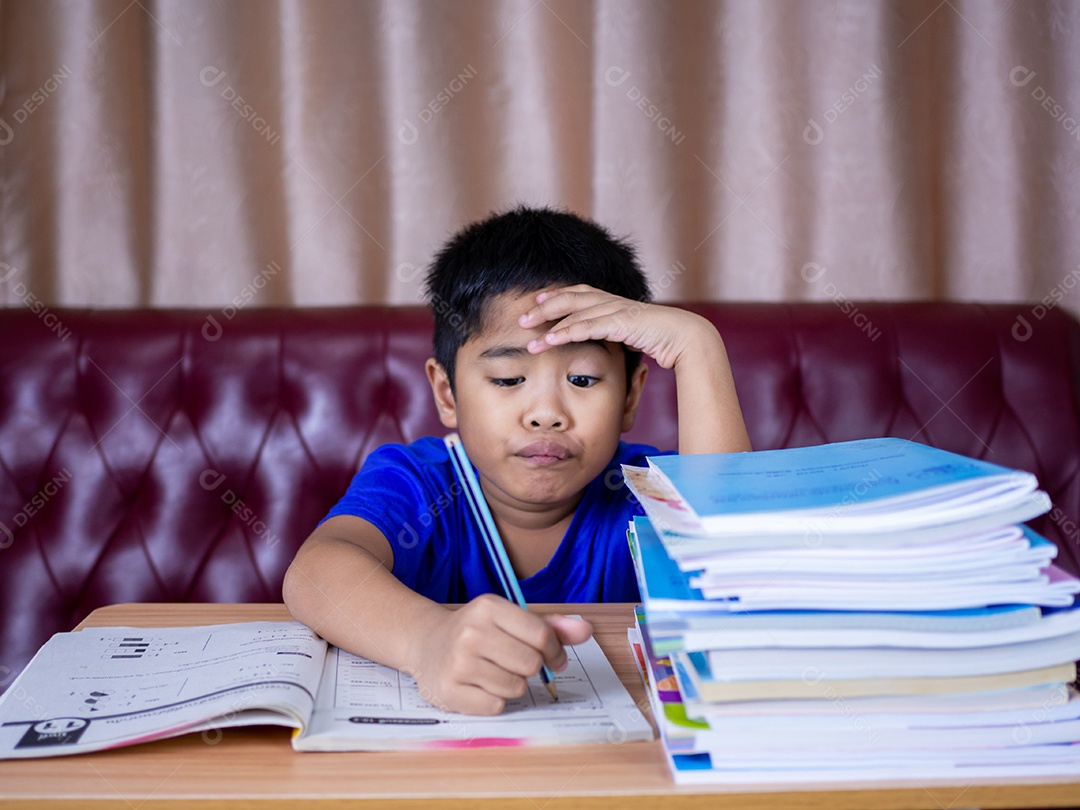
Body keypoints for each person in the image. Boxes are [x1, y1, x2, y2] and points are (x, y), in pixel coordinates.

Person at [283, 206, 751, 715]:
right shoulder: (420, 482)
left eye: (583, 380)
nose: (546, 414)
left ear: (630, 400)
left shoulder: (645, 489)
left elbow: (738, 572)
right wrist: (426, 641)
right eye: (508, 380)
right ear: (447, 393)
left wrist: (697, 346)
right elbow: (315, 574)